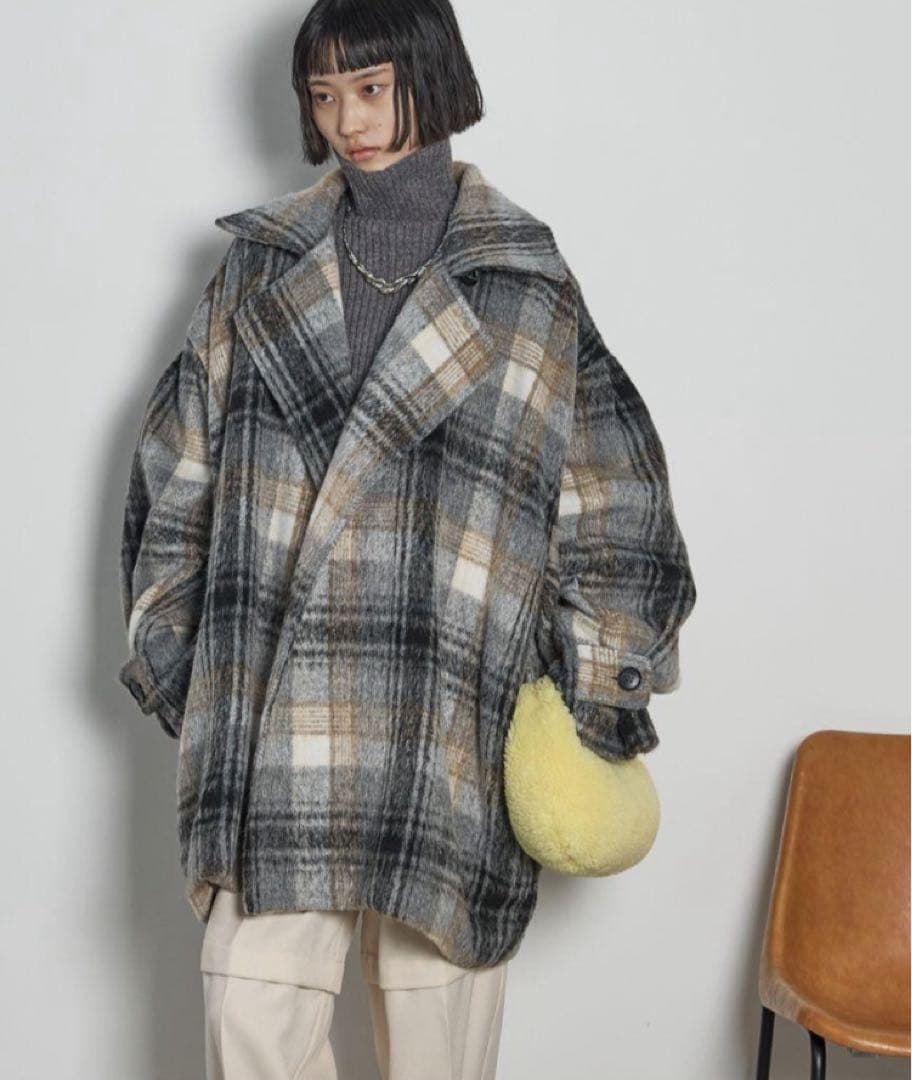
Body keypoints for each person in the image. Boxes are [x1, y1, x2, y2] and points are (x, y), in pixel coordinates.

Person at [116, 0, 697, 1077]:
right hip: (277, 719)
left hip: (448, 717)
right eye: (324, 95)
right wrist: (185, 658)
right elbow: (175, 472)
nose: (349, 121)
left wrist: (597, 691)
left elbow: (616, 500)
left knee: (438, 1044)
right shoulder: (258, 269)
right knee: (251, 1017)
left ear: (432, 78)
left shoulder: (526, 284)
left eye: (372, 88)